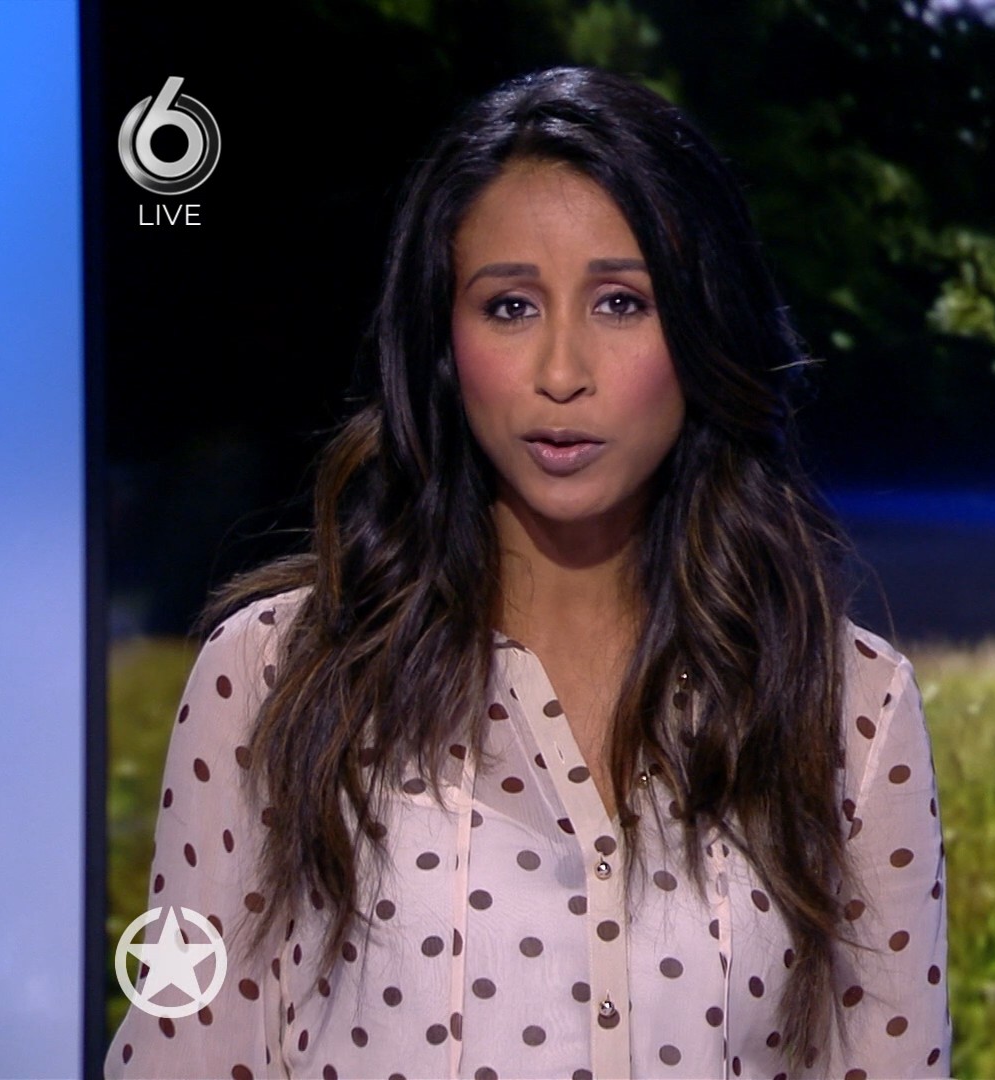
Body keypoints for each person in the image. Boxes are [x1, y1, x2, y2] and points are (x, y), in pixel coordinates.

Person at [106, 67, 950, 1080]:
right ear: (443, 340)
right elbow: (184, 1053)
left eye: (621, 303)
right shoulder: (271, 678)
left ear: (703, 327)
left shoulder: (846, 710)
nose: (560, 373)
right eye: (509, 306)